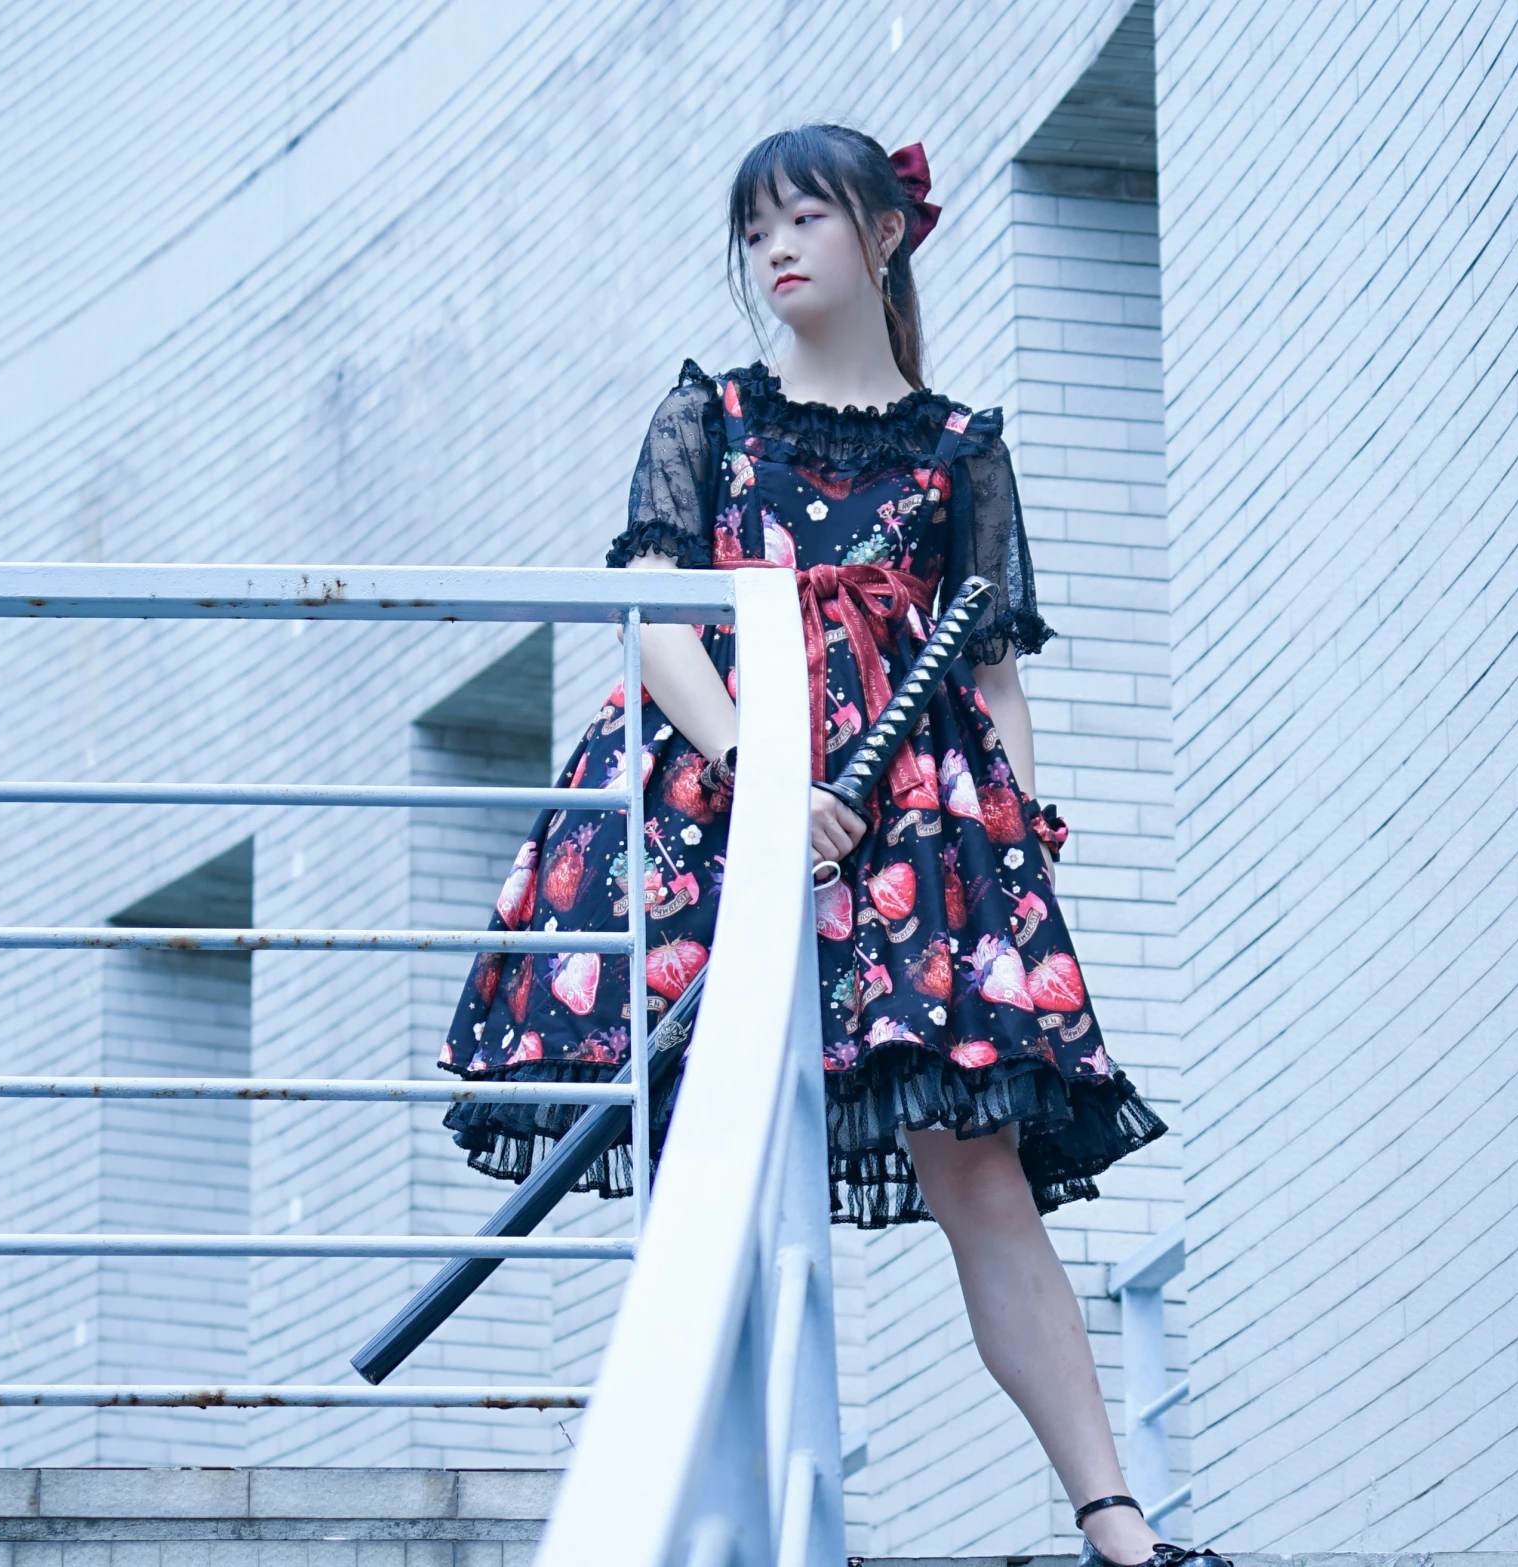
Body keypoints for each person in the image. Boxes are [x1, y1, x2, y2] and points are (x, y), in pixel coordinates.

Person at [437, 125, 1217, 1567]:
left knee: (977, 1167)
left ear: (886, 235)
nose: (775, 247)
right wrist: (760, 770)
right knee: (707, 1145)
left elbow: (987, 680)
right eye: (755, 228)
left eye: (805, 215)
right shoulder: (709, 418)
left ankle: (1117, 1521)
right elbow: (657, 622)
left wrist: (1021, 856)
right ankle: (715, 1505)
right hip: (711, 806)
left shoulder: (959, 449)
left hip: (916, 833)